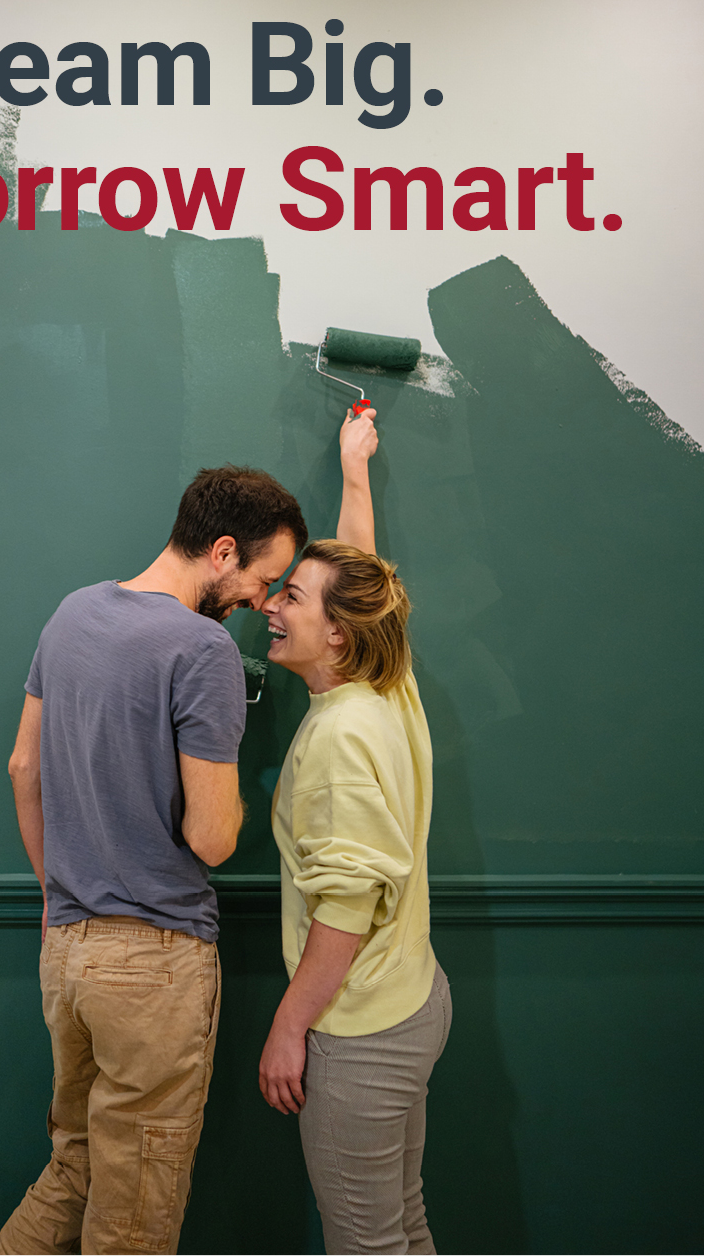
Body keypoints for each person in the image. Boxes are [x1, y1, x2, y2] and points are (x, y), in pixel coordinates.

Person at [0, 465, 306, 1256]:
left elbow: (23, 768)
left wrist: (56, 893)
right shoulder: (203, 649)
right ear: (223, 550)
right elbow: (212, 838)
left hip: (68, 951)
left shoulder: (71, 613)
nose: (261, 600)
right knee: (132, 1222)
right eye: (263, 578)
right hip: (155, 965)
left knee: (72, 1174)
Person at [258, 410, 451, 1255]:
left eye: (289, 597)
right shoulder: (386, 686)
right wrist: (355, 469)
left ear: (336, 631)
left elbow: (345, 908)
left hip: (361, 1028)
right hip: (415, 999)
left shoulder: (339, 737)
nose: (270, 604)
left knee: (368, 1243)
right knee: (403, 1224)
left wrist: (287, 1025)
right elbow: (357, 571)